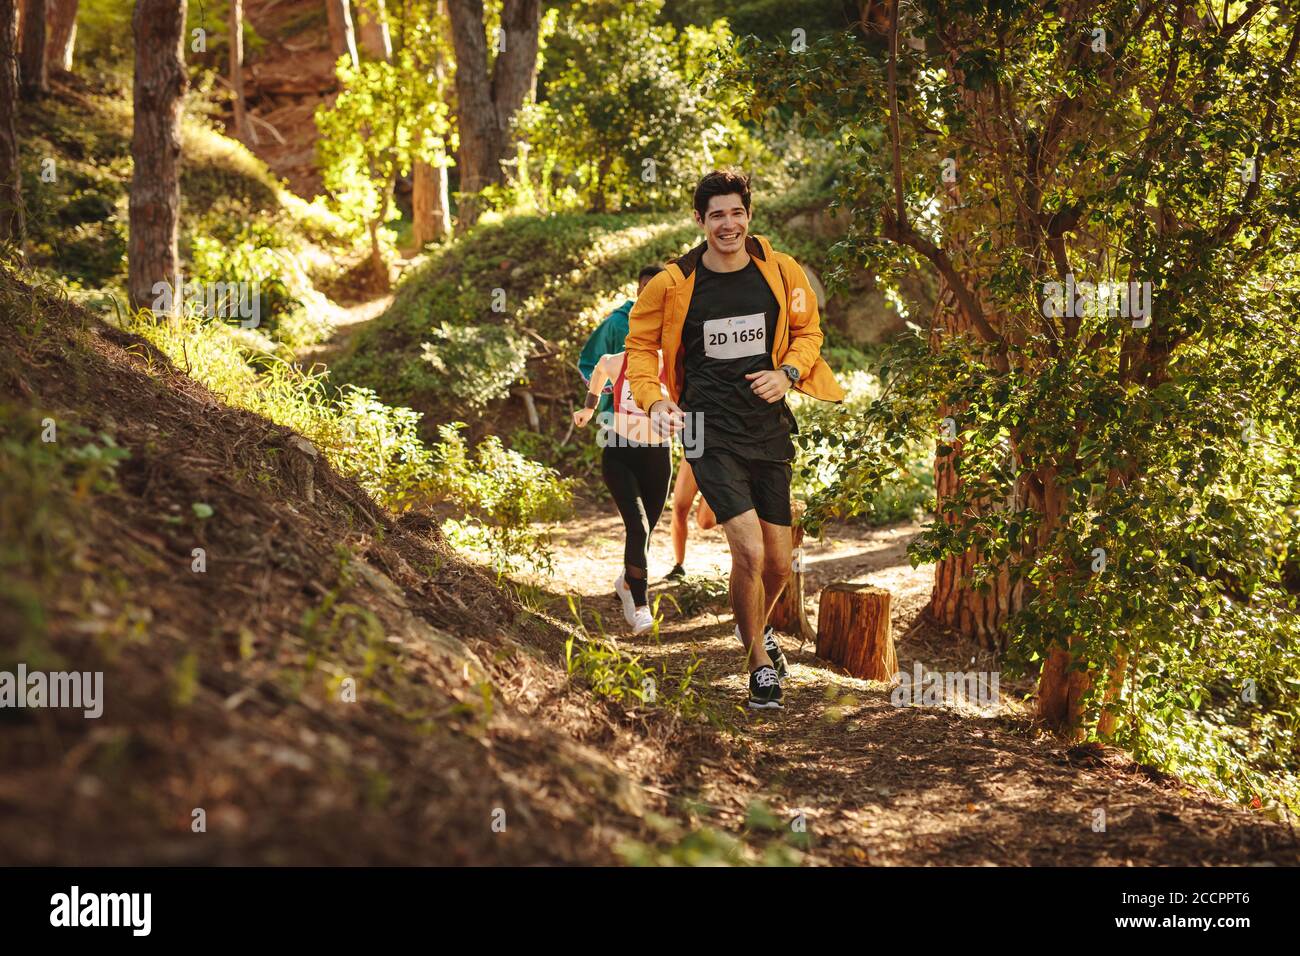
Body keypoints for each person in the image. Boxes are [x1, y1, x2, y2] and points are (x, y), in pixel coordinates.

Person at [624, 169, 845, 709]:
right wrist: (655, 401)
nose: (729, 224)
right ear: (699, 220)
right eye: (717, 214)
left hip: (767, 427)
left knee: (776, 562)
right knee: (746, 551)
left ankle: (759, 631)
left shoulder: (780, 271)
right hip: (706, 428)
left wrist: (789, 373)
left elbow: (809, 331)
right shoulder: (673, 284)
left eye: (737, 212)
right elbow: (639, 348)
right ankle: (759, 666)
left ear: (749, 214)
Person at [572, 348, 671, 636]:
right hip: (619, 454)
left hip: (658, 457)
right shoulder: (616, 361)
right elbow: (598, 373)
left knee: (647, 532)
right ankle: (640, 607)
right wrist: (590, 408)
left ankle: (626, 582)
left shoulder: (672, 364)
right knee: (638, 529)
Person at [665, 459, 716, 581]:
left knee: (706, 522)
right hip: (696, 447)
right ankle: (679, 565)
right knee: (679, 509)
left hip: (722, 456)